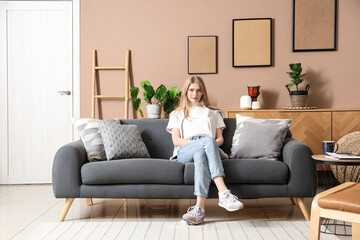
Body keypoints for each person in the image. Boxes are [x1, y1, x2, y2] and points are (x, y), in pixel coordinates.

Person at [166, 76, 244, 225]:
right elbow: (176, 140)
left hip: (208, 148)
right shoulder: (177, 113)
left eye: (198, 90)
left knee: (201, 154)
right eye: (191, 90)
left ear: (203, 93)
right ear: (186, 91)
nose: (194, 94)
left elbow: (219, 139)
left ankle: (199, 210)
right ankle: (224, 193)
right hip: (185, 150)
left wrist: (207, 144)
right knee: (205, 143)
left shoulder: (214, 113)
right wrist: (203, 142)